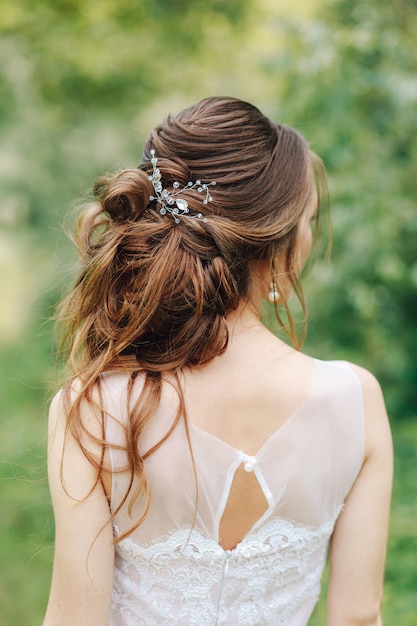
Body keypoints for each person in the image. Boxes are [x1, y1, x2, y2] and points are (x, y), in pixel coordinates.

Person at [43, 96, 392, 626]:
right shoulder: (353, 400)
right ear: (282, 244)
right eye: (307, 221)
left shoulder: (94, 408)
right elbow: (359, 616)